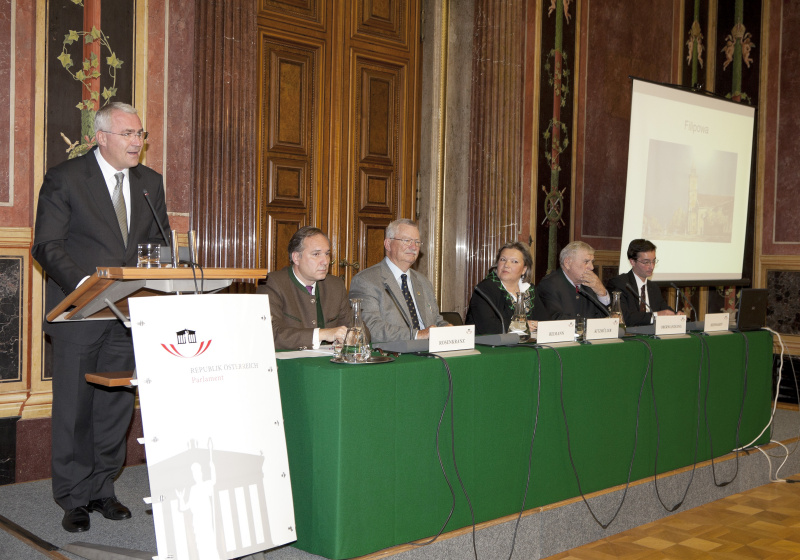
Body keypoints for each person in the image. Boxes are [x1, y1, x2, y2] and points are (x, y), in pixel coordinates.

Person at [32, 102, 170, 533]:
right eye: (128, 134)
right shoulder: (66, 177)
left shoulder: (150, 183)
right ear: (102, 137)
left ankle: (101, 489)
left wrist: (165, 271)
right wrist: (87, 286)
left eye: (140, 134)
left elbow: (159, 246)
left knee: (114, 406)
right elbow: (47, 244)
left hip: (129, 314)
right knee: (75, 405)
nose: (137, 142)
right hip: (80, 312)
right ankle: (73, 497)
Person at [348, 218, 449, 342]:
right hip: (394, 356)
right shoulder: (366, 281)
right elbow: (370, 328)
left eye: (417, 242)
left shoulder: (423, 282)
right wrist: (417, 335)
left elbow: (436, 321)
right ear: (388, 244)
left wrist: (447, 329)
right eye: (407, 241)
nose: (413, 247)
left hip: (431, 351)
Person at [257, 226, 350, 350]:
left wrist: (352, 335)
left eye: (327, 254)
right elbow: (271, 334)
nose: (325, 261)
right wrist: (322, 334)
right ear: (296, 257)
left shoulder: (335, 285)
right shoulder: (273, 283)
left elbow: (357, 328)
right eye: (316, 254)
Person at [465, 241, 539, 335]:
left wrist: (537, 325)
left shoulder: (530, 290)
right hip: (487, 347)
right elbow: (489, 327)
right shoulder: (484, 289)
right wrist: (521, 326)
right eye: (503, 260)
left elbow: (544, 322)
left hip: (524, 345)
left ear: (524, 269)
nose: (506, 265)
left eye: (514, 261)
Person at [606, 238, 677, 326]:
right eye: (646, 262)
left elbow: (665, 310)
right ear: (632, 262)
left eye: (653, 261)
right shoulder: (620, 283)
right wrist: (656, 316)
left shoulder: (653, 287)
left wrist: (677, 315)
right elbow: (624, 317)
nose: (652, 266)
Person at [535, 241, 610, 320]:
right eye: (586, 262)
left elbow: (605, 318)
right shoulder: (549, 285)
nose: (591, 267)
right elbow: (556, 320)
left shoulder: (591, 284)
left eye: (592, 262)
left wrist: (601, 292)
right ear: (567, 263)